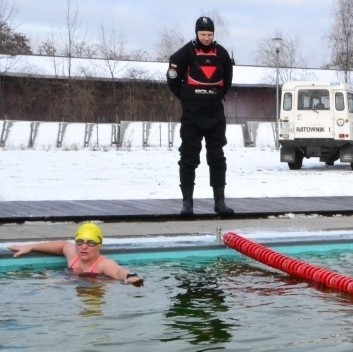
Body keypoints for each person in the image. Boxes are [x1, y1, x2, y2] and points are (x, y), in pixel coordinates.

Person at [167, 16, 234, 217]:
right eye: (203, 34)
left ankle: (220, 202)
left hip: (215, 114)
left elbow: (227, 81)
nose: (206, 38)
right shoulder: (185, 53)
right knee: (188, 157)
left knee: (217, 157)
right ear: (196, 33)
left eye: (210, 34)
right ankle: (187, 202)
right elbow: (173, 80)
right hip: (192, 115)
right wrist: (187, 98)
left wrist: (215, 96)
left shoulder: (221, 53)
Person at [7, 222, 145, 286]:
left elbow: (117, 271)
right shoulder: (74, 256)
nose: (83, 247)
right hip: (77, 288)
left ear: (99, 245)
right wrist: (30, 247)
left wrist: (130, 276)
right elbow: (62, 245)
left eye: (90, 243)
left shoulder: (103, 264)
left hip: (95, 290)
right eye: (79, 242)